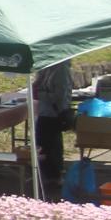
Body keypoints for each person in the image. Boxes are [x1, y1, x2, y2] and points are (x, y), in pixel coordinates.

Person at [34, 60, 75, 202]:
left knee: (52, 146)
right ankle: (47, 174)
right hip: (45, 112)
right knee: (43, 144)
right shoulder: (46, 68)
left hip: (53, 113)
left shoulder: (61, 69)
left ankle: (55, 176)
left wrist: (59, 108)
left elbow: (61, 93)